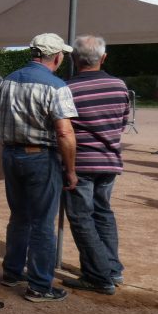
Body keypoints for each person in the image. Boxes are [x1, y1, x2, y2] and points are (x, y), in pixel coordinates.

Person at [0, 33, 78, 303]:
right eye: (62, 54)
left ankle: (12, 272)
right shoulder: (55, 85)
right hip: (40, 157)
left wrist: (9, 144)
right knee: (42, 222)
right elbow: (65, 133)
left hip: (11, 154)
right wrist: (71, 168)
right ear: (56, 57)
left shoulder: (7, 80)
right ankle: (40, 285)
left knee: (18, 217)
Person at [61, 35, 130, 295]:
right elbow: (123, 123)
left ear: (74, 59)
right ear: (103, 58)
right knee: (103, 213)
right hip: (109, 161)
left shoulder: (67, 88)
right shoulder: (119, 86)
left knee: (80, 218)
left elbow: (63, 129)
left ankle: (99, 275)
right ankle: (113, 269)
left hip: (81, 163)